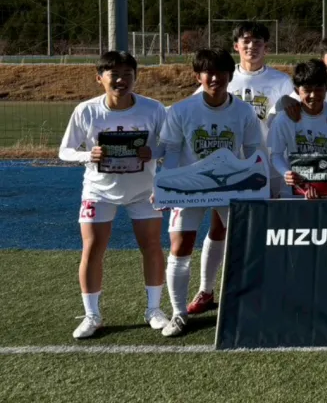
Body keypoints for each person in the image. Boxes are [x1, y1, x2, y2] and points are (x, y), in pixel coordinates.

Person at [58, 51, 168, 339]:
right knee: (92, 249)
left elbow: (170, 145)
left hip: (143, 191)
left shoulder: (154, 109)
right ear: (100, 78)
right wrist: (87, 155)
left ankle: (154, 309)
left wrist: (153, 152)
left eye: (127, 74)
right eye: (113, 74)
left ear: (136, 77)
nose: (121, 80)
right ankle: (92, 315)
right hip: (99, 191)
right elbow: (65, 151)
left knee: (152, 246)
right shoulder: (86, 110)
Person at [159, 48, 262, 337]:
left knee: (242, 245)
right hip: (190, 187)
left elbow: (253, 151)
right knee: (180, 246)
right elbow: (171, 151)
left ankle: (241, 305)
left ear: (230, 75)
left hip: (230, 187)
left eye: (221, 73)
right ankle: (179, 313)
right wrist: (164, 186)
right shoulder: (181, 110)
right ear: (198, 76)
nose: (215, 78)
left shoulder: (244, 111)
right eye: (208, 72)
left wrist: (255, 184)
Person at [267, 60, 327, 200]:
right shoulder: (283, 119)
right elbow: (276, 155)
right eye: (307, 90)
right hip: (294, 191)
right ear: (297, 90)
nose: (313, 95)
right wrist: (286, 173)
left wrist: (318, 181)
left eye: (318, 89)